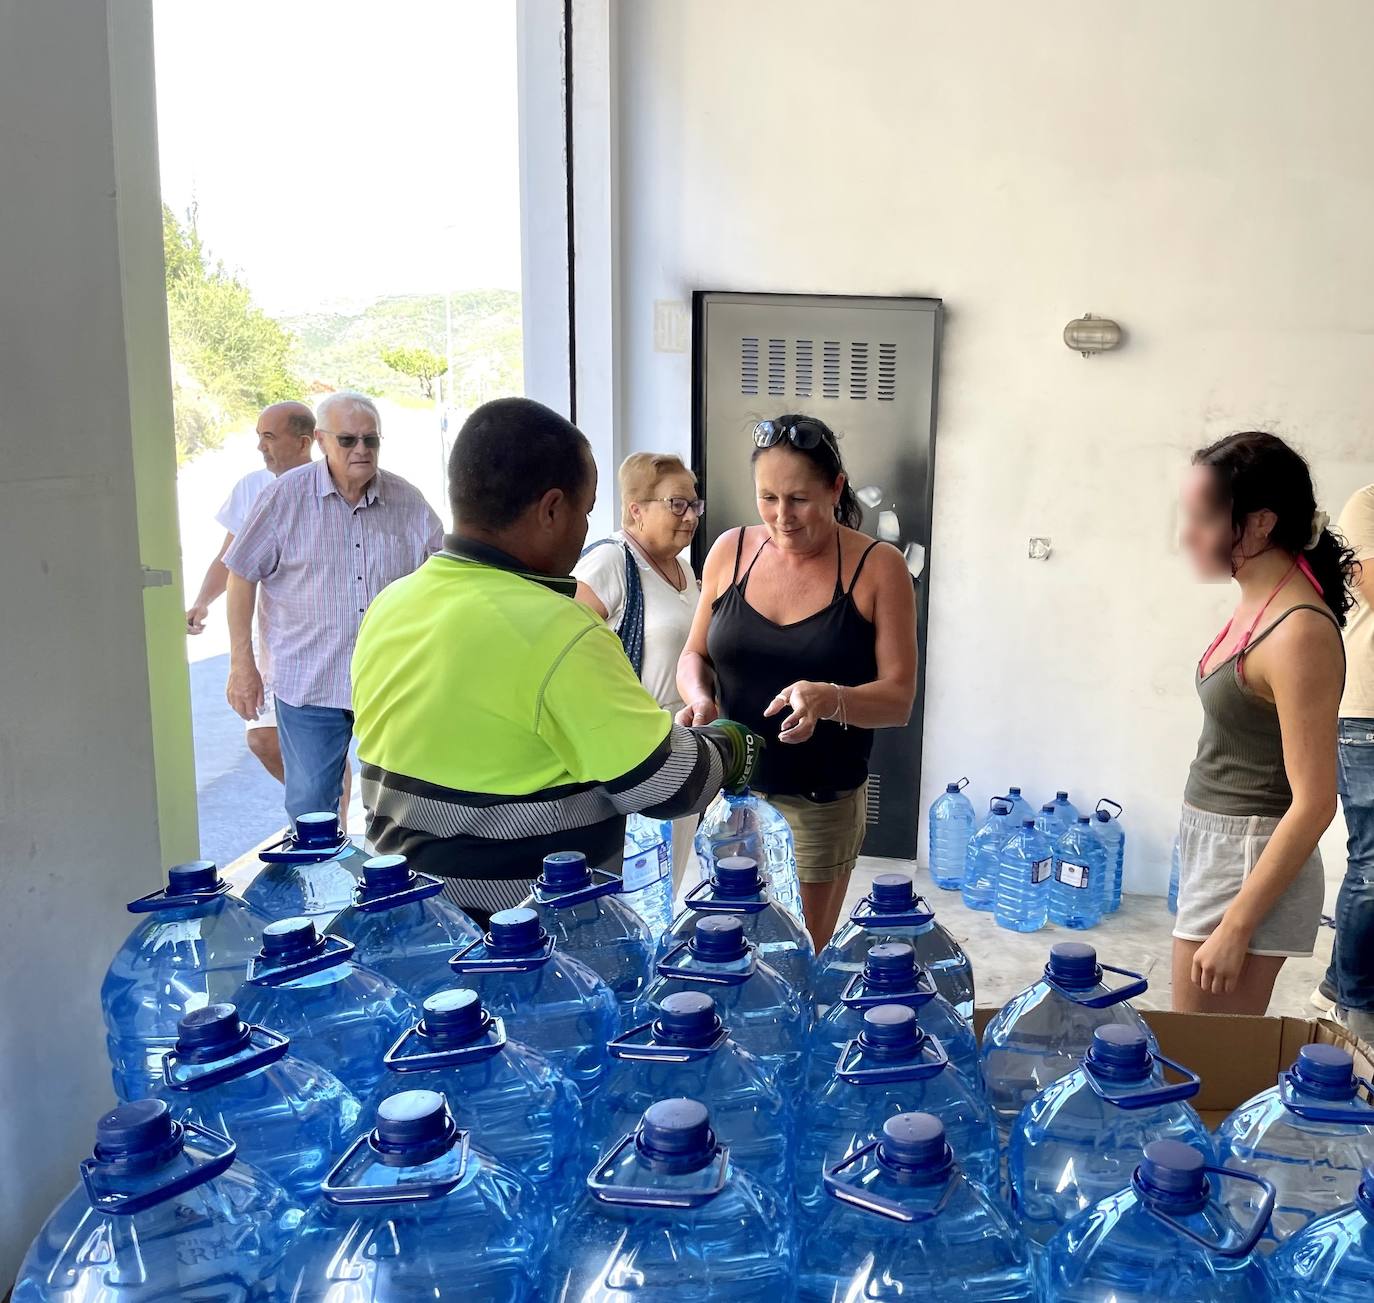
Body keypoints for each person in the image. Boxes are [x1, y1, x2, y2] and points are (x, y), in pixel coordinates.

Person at [350, 397, 760, 922]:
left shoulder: (392, 604)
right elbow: (670, 784)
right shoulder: (560, 631)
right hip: (524, 948)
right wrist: (731, 744)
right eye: (585, 512)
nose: (586, 529)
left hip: (408, 925)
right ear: (550, 510)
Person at [676, 414, 918, 948]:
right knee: (728, 946)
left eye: (799, 499)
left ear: (835, 488)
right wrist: (700, 699)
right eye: (768, 498)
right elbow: (695, 655)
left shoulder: (879, 568)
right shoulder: (730, 550)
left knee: (797, 955)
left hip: (819, 802)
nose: (781, 517)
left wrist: (830, 699)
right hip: (733, 794)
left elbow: (898, 699)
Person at [1174, 430, 1352, 1016]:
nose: (1187, 535)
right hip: (1218, 844)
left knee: (1203, 1060)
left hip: (1250, 857)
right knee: (1195, 1051)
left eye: (1202, 518)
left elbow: (1315, 801)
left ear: (1259, 523)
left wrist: (1236, 927)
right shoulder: (1258, 598)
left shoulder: (1298, 630)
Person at [224, 391, 442, 827]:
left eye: (371, 440)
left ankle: (395, 893)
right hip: (310, 683)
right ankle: (322, 892)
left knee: (407, 808)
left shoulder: (408, 501)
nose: (361, 450)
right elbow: (241, 574)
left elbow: (441, 580)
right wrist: (241, 663)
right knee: (312, 813)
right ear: (322, 441)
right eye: (348, 440)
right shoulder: (283, 498)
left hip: (391, 684)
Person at [574, 453, 704, 888]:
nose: (690, 516)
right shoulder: (612, 561)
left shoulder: (685, 569)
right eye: (677, 504)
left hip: (679, 746)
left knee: (668, 885)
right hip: (629, 755)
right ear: (636, 509)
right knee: (632, 891)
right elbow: (569, 650)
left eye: (694, 504)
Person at [186, 401, 315, 784]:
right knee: (263, 738)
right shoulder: (252, 487)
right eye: (259, 436)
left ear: (304, 442)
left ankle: (326, 826)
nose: (261, 446)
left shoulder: (330, 486)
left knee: (319, 746)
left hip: (319, 639)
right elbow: (229, 557)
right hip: (271, 638)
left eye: (270, 437)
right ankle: (315, 813)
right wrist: (201, 603)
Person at [1309, 482, 1374, 1039]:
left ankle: (1336, 984)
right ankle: (1356, 1008)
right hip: (1368, 712)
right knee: (1373, 863)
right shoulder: (1369, 503)